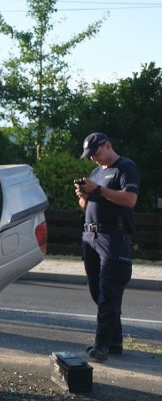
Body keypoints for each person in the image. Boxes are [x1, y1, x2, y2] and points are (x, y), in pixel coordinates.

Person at [74, 132, 140, 362]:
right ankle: (115, 341)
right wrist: (84, 195)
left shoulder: (125, 167)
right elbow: (86, 207)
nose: (92, 158)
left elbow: (130, 200)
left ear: (107, 145)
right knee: (98, 291)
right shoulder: (95, 173)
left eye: (95, 153)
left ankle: (101, 345)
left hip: (112, 236)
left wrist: (98, 190)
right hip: (90, 236)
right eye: (89, 155)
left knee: (108, 292)